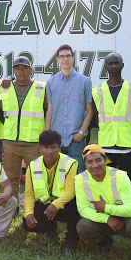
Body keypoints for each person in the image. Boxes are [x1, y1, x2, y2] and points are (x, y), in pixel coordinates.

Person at [75, 144, 131, 260]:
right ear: (85, 164)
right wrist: (107, 218)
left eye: (98, 160)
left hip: (124, 217)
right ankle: (104, 242)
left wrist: (106, 208)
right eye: (89, 162)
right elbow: (83, 209)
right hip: (101, 219)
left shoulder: (120, 176)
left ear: (105, 160)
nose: (94, 165)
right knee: (83, 226)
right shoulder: (80, 179)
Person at [0, 56, 47, 208]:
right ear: (13, 70)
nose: (21, 71)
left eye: (25, 68)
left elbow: (46, 111)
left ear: (30, 69)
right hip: (11, 142)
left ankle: (35, 210)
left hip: (33, 143)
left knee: (36, 178)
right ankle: (13, 209)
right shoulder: (5, 86)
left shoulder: (41, 87)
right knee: (11, 178)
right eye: (18, 68)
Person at [22, 130, 80, 255]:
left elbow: (71, 191)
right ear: (40, 148)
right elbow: (29, 194)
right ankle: (50, 228)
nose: (49, 151)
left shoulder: (70, 163)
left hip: (65, 205)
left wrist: (56, 205)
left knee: (75, 206)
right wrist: (28, 214)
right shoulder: (32, 166)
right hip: (45, 204)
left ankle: (70, 241)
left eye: (53, 147)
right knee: (27, 225)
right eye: (46, 147)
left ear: (59, 148)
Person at [91, 52, 131, 193]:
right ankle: (111, 214)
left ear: (122, 65)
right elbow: (95, 118)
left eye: (116, 63)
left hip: (127, 148)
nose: (113, 66)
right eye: (110, 63)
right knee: (107, 188)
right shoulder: (97, 91)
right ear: (105, 66)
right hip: (106, 149)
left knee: (129, 187)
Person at [45, 44, 93, 173]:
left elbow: (90, 110)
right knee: (57, 176)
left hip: (75, 138)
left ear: (73, 58)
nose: (65, 59)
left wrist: (81, 133)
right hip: (56, 139)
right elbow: (49, 110)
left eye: (68, 56)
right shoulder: (50, 83)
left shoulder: (85, 81)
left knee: (78, 176)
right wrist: (48, 135)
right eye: (62, 56)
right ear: (57, 60)